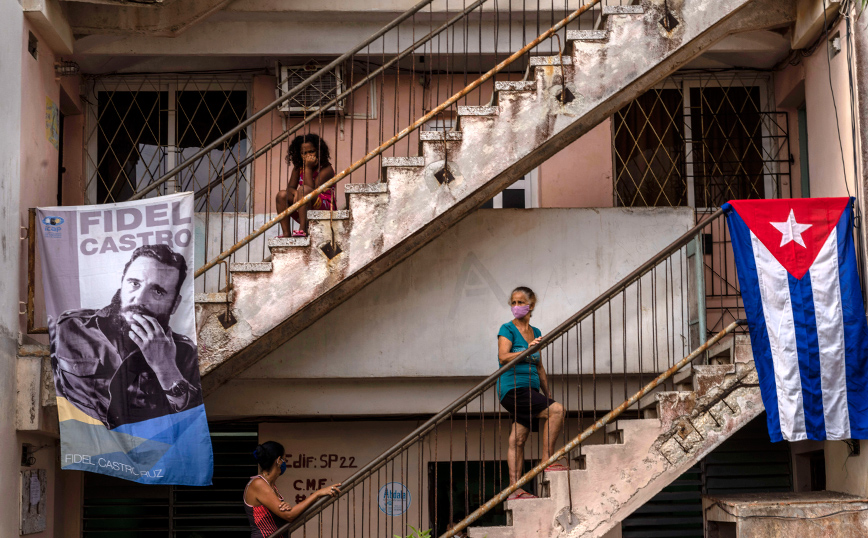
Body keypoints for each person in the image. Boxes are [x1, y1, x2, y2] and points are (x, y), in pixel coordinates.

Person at [48, 244, 202, 429]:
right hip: (87, 449)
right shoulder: (69, 327)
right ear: (122, 282)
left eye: (157, 291)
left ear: (175, 304)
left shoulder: (184, 352)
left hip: (149, 453)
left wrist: (165, 367)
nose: (139, 298)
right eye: (134, 283)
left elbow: (191, 424)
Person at [496, 286, 566, 500]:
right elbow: (503, 356)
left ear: (531, 305)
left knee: (518, 438)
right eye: (513, 303)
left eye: (520, 302)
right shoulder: (507, 329)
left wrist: (547, 392)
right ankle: (547, 460)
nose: (516, 307)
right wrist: (527, 349)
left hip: (530, 389)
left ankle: (514, 490)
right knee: (557, 411)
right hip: (513, 388)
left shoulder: (535, 332)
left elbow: (539, 367)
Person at [244, 441, 341, 538]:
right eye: (284, 460)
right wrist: (317, 494)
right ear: (278, 460)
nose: (284, 463)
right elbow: (289, 516)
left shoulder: (271, 485)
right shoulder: (259, 484)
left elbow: (284, 514)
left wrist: (288, 507)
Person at [276, 134, 336, 238]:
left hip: (324, 206)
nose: (308, 155)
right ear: (299, 155)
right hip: (304, 204)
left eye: (311, 151)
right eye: (304, 153)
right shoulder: (298, 168)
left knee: (304, 190)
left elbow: (312, 190)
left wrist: (308, 168)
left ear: (318, 151)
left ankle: (303, 229)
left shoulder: (326, 169)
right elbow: (290, 188)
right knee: (281, 195)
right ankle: (286, 233)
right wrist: (295, 192)